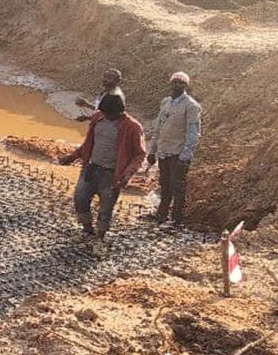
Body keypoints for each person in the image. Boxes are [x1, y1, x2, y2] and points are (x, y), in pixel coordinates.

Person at [59, 93, 147, 255]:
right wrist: (72, 156)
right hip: (92, 168)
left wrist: (128, 174)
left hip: (111, 174)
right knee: (80, 199)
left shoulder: (132, 127)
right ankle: (87, 230)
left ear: (120, 112)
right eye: (104, 112)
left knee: (105, 209)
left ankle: (100, 238)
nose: (106, 115)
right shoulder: (98, 119)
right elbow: (88, 144)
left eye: (109, 113)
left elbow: (139, 154)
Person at [146, 71, 202, 227]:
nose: (177, 85)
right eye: (175, 82)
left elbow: (193, 133)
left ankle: (177, 219)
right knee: (165, 184)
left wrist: (185, 157)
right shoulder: (166, 103)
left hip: (178, 152)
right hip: (164, 151)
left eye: (181, 83)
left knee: (178, 187)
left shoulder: (191, 106)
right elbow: (159, 128)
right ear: (170, 83)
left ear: (186, 85)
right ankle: (161, 214)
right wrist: (152, 151)